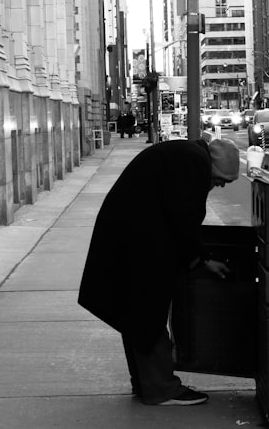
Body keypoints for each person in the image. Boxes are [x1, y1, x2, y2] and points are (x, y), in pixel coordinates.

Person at [78, 138, 239, 406]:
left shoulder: (185, 154)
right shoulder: (193, 162)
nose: (219, 185)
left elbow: (178, 211)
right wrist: (201, 258)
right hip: (139, 244)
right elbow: (184, 214)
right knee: (147, 314)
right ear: (213, 166)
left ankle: (146, 383)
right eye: (221, 179)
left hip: (131, 240)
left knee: (136, 314)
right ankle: (160, 388)